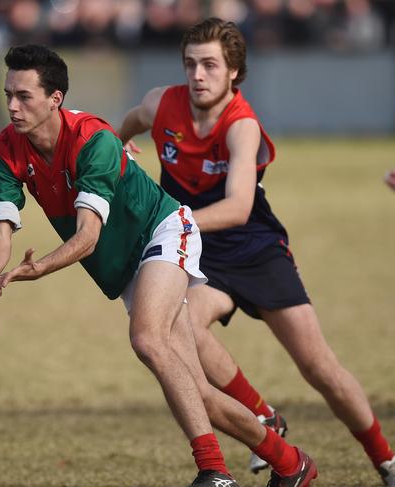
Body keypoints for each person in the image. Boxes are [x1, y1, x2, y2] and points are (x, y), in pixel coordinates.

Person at [0, 44, 318, 487]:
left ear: (55, 98)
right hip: (127, 265)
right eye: (8, 94)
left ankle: (213, 471)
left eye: (23, 96)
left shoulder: (91, 139)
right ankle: (292, 463)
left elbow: (87, 237)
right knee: (201, 395)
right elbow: (2, 219)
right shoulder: (4, 148)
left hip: (163, 231)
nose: (11, 106)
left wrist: (38, 269)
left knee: (147, 338)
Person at [118, 17, 395, 486]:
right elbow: (128, 124)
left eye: (210, 65)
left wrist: (170, 222)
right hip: (201, 251)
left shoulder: (241, 126)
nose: (198, 75)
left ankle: (385, 460)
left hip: (256, 249)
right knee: (180, 325)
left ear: (234, 73)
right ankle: (265, 416)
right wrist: (122, 141)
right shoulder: (160, 104)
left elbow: (238, 208)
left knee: (318, 366)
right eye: (190, 64)